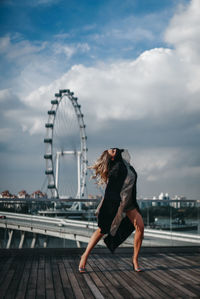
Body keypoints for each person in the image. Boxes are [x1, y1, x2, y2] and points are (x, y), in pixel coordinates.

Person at [78, 148, 144, 273]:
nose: (114, 150)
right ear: (112, 158)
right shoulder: (116, 168)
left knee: (140, 227)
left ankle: (135, 259)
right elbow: (110, 189)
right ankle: (84, 256)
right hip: (116, 203)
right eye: (112, 151)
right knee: (102, 230)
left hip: (129, 203)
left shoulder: (126, 164)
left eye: (114, 149)